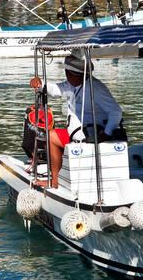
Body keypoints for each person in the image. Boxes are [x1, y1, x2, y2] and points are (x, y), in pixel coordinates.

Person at [29, 52, 125, 188]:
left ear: (71, 74)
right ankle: (57, 177)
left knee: (50, 137)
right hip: (76, 134)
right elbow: (54, 89)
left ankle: (55, 181)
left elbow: (116, 112)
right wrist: (40, 84)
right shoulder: (71, 85)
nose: (66, 75)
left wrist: (106, 134)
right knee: (50, 135)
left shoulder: (96, 89)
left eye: (67, 72)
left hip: (90, 136)